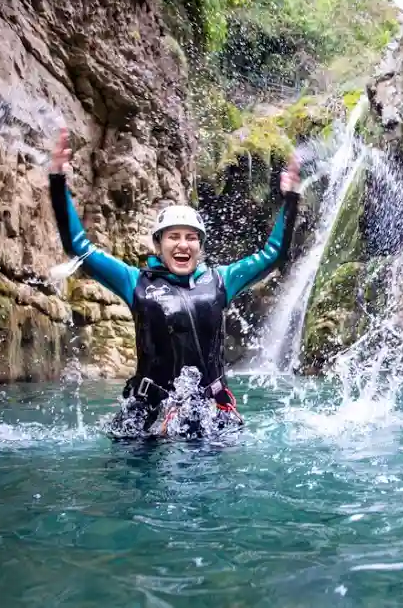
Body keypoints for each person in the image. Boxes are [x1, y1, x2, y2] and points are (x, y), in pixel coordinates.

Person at [46, 129, 300, 438]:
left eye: (191, 237)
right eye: (174, 236)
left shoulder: (221, 280)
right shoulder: (134, 282)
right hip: (146, 417)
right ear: (158, 244)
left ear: (200, 245)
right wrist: (57, 181)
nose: (183, 245)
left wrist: (291, 199)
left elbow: (273, 254)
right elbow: (79, 247)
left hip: (208, 413)